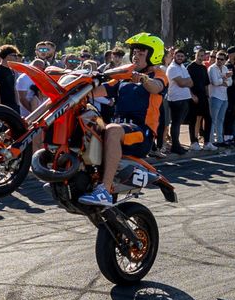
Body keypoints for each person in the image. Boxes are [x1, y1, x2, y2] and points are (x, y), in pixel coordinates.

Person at [77, 34, 166, 208]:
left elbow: (157, 87)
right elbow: (101, 90)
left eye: (141, 52)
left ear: (153, 54)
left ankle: (104, 190)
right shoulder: (125, 77)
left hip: (141, 133)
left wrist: (143, 79)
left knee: (112, 129)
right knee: (86, 123)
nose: (135, 55)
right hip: (121, 129)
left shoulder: (159, 74)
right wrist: (79, 88)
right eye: (134, 52)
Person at [163, 48, 194, 154]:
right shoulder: (172, 68)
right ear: (174, 56)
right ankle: (175, 146)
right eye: (178, 56)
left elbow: (191, 82)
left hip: (185, 98)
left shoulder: (182, 67)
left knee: (179, 124)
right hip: (176, 99)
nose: (180, 58)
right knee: (176, 123)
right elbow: (181, 83)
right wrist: (185, 81)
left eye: (182, 56)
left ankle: (177, 144)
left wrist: (185, 81)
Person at [208, 49, 231, 147]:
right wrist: (224, 79)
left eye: (221, 59)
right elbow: (215, 82)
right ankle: (211, 140)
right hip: (215, 96)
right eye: (217, 58)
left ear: (225, 60)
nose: (219, 61)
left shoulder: (225, 68)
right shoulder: (212, 68)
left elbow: (230, 82)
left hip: (224, 97)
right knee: (213, 119)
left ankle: (220, 139)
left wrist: (224, 81)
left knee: (221, 119)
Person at [0, 45, 20, 111]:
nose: (16, 58)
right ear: (7, 56)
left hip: (13, 106)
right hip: (3, 106)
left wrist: (17, 104)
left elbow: (14, 88)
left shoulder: (11, 70)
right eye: (14, 55)